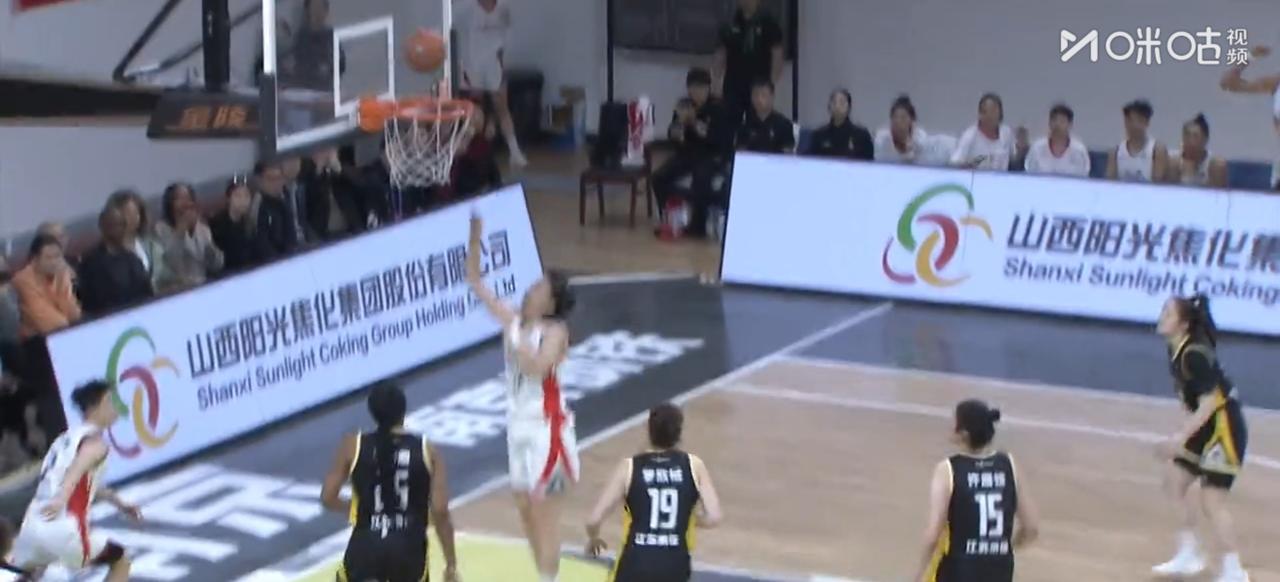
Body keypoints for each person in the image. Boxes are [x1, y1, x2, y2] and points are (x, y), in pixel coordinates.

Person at [465, 213, 578, 582]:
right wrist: (475, 237)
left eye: (541, 287)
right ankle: (545, 575)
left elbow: (537, 367)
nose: (532, 288)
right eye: (535, 283)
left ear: (551, 302)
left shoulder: (555, 331)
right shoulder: (514, 319)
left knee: (545, 514)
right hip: (517, 425)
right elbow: (475, 280)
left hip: (549, 429)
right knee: (523, 507)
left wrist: (516, 341)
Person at [1151, 294, 1251, 582]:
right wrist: (1184, 437)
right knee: (1174, 481)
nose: (1161, 317)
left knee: (1212, 500)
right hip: (1207, 425)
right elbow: (1191, 402)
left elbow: (1209, 403)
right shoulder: (1176, 349)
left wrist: (1180, 438)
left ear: (1183, 324)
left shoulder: (1193, 354)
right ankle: (1189, 554)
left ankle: (1234, 571)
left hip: (1224, 427)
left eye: (1168, 314)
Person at [320, 382, 459, 582]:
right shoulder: (427, 450)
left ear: (372, 412)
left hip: (366, 547)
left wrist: (355, 509)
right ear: (403, 410)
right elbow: (440, 511)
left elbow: (327, 497)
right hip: (409, 549)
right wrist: (451, 565)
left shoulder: (352, 446)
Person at [10, 381, 141, 582]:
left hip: (32, 526)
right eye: (111, 401)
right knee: (121, 560)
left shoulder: (64, 440)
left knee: (31, 575)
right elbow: (77, 469)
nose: (115, 407)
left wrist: (120, 504)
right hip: (63, 527)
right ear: (98, 405)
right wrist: (61, 499)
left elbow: (85, 482)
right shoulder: (96, 442)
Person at [584, 404, 723, 582]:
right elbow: (714, 517)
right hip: (675, 565)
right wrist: (684, 517)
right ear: (679, 432)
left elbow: (593, 520)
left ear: (649, 430)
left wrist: (594, 539)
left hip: (636, 562)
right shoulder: (694, 465)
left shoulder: (630, 467)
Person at [912, 399, 1039, 582]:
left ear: (963, 434)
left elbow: (933, 534)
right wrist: (1005, 549)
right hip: (999, 570)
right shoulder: (1009, 465)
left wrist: (918, 575)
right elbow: (1031, 528)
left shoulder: (948, 470)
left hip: (959, 569)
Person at [455, 0, 527, 167]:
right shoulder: (465, 8)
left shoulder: (504, 9)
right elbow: (448, 29)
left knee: (502, 107)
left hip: (493, 65)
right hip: (472, 66)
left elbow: (506, 38)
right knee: (474, 111)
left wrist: (501, 63)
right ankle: (462, 150)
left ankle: (515, 152)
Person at [653, 68, 726, 225]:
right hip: (687, 154)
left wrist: (694, 122)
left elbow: (715, 138)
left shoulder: (717, 107)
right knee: (658, 178)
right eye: (693, 88)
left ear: (708, 88)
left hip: (710, 155)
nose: (697, 93)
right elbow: (673, 136)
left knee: (701, 179)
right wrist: (680, 122)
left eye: (702, 88)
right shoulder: (684, 105)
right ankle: (669, 216)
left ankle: (697, 225)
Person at [714, 0, 784, 128]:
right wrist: (716, 81)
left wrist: (771, 83)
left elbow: (777, 54)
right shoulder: (729, 22)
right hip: (733, 83)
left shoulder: (769, 22)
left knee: (758, 123)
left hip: (759, 82)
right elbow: (721, 53)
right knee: (729, 122)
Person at [77, 204, 154, 316]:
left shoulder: (132, 258)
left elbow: (147, 290)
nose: (119, 230)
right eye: (113, 225)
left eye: (122, 224)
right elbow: (92, 301)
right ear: (102, 227)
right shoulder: (91, 262)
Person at [153, 182, 225, 293]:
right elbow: (170, 262)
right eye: (179, 199)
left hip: (203, 287)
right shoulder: (161, 229)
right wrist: (181, 231)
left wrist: (197, 233)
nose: (185, 203)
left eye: (188, 198)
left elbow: (216, 264)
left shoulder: (202, 229)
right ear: (170, 204)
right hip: (177, 290)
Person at [11, 234, 81, 339]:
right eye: (49, 258)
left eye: (57, 256)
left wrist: (62, 282)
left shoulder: (61, 274)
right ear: (35, 260)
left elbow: (74, 314)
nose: (54, 262)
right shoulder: (23, 281)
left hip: (63, 333)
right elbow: (50, 324)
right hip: (35, 340)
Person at [210, 179, 276, 273]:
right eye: (238, 196)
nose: (243, 201)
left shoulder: (250, 223)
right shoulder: (217, 225)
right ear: (229, 199)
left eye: (246, 196)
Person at [950, 93, 1026, 171]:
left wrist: (1021, 148)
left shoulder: (1006, 133)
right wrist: (972, 164)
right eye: (985, 112)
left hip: (1002, 177)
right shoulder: (969, 137)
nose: (990, 116)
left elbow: (1014, 159)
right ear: (980, 114)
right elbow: (954, 165)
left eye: (994, 112)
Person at [106, 190, 165, 288]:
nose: (132, 218)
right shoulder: (108, 254)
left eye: (135, 213)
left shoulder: (152, 246)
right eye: (127, 213)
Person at [1105, 99, 1169, 182]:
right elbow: (1109, 182)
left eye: (1139, 120)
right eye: (1129, 120)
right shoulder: (1115, 152)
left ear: (1146, 122)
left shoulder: (1157, 150)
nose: (1133, 125)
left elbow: (1158, 184)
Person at [1024, 103, 1091, 177]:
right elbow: (1028, 175)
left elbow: (1084, 177)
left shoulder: (1079, 150)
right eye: (1054, 120)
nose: (1057, 124)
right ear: (1049, 123)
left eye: (1062, 121)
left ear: (1070, 125)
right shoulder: (1037, 148)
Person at [252, 161, 301, 257]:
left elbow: (292, 235)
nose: (277, 183)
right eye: (271, 179)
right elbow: (261, 244)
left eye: (279, 178)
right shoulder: (257, 205)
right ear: (260, 181)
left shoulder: (285, 198)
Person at [808, 88, 873, 160]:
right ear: (829, 107)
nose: (837, 106)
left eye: (842, 103)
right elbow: (810, 159)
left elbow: (869, 162)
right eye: (834, 103)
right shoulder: (819, 135)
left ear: (849, 107)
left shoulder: (861, 135)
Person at [1166, 114, 1229, 187]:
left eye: (1195, 136)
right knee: (1173, 163)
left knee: (1218, 164)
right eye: (1187, 135)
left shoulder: (1212, 163)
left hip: (1205, 193)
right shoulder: (1174, 160)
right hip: (1179, 193)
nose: (1190, 140)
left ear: (1205, 139)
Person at [735, 79, 795, 154]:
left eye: (763, 95)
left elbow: (787, 153)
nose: (759, 99)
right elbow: (741, 152)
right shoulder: (745, 124)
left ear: (772, 97)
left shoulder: (784, 124)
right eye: (756, 95)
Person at [875, 95, 931, 164]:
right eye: (895, 117)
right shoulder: (882, 139)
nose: (898, 122)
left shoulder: (920, 138)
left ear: (911, 120)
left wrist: (909, 150)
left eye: (903, 118)